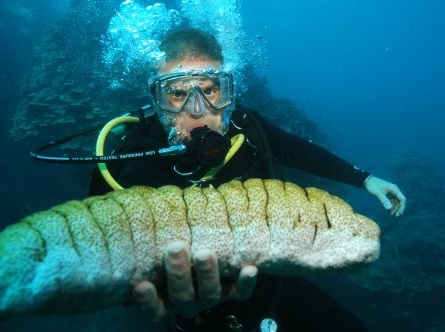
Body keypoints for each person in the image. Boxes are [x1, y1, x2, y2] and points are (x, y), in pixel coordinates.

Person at [90, 28, 406, 331]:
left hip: (273, 287)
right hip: (199, 315)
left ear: (228, 91)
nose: (198, 111)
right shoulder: (127, 160)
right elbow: (106, 262)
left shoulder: (246, 127)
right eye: (177, 94)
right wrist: (160, 297)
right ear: (156, 98)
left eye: (211, 90)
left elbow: (296, 149)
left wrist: (364, 179)